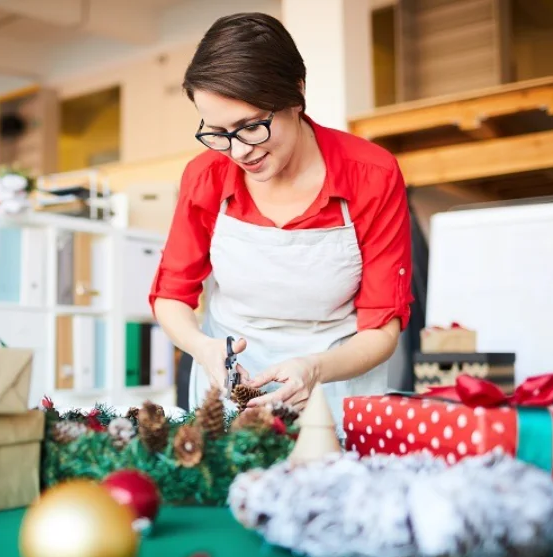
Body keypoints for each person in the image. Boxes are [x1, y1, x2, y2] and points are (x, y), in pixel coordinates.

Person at [149, 12, 412, 434]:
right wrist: (203, 347)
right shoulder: (206, 177)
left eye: (250, 127)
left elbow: (382, 329)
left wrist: (314, 369)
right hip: (228, 393)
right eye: (217, 132)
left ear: (297, 94)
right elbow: (170, 296)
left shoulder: (371, 175)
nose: (237, 151)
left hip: (335, 385)